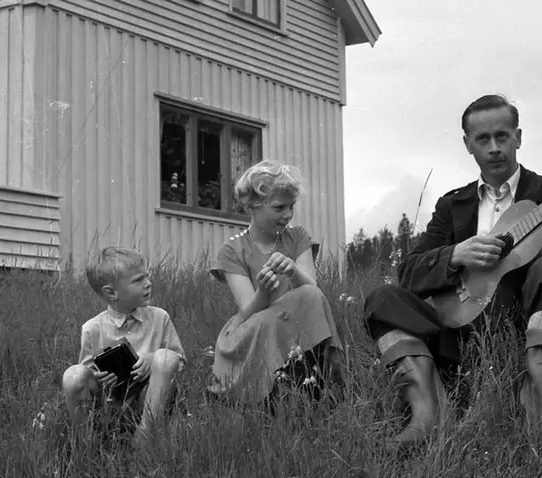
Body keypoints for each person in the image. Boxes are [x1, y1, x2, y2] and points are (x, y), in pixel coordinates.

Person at [363, 94, 542, 446]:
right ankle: (427, 414)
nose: (494, 148)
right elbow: (410, 273)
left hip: (527, 324)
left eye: (502, 137)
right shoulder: (453, 205)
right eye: (482, 139)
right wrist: (456, 254)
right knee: (382, 299)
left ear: (518, 137)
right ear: (467, 144)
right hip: (459, 333)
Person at [209, 160, 345, 407]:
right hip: (257, 328)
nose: (288, 214)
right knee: (279, 316)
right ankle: (277, 393)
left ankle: (314, 389)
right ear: (252, 206)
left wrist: (292, 271)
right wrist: (263, 291)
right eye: (279, 207)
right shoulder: (233, 250)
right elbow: (248, 312)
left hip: (295, 322)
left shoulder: (297, 237)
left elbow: (312, 291)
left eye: (291, 206)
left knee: (311, 298)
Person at [62, 246, 185, 445]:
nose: (148, 283)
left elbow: (178, 363)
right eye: (138, 280)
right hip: (112, 404)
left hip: (151, 401)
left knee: (165, 357)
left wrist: (153, 358)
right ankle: (87, 443)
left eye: (147, 276)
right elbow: (86, 377)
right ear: (111, 293)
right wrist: (99, 377)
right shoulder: (92, 329)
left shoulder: (159, 318)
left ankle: (146, 435)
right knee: (73, 375)